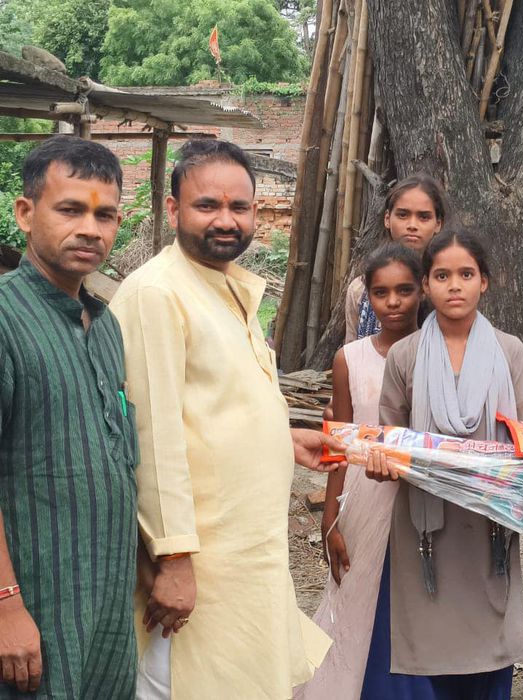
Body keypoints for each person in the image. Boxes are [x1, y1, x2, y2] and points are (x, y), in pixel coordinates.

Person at [110, 139, 338, 699]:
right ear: (172, 210)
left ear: (257, 212)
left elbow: (213, 410)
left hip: (247, 553)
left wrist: (282, 439)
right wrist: (173, 559)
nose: (225, 220)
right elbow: (153, 434)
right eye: (206, 205)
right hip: (199, 570)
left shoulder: (228, 287)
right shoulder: (159, 293)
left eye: (239, 207)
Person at [360, 229, 523, 699]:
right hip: (426, 527)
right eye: (442, 275)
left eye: (466, 274)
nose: (454, 285)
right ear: (426, 284)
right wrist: (382, 463)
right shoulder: (406, 354)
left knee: (489, 652)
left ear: (485, 282)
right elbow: (390, 438)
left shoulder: (510, 350)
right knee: (430, 653)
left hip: (488, 525)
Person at [0, 136, 137, 698]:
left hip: (105, 612)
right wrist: (6, 606)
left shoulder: (105, 324)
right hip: (33, 610)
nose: (90, 229)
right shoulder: (6, 319)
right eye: (71, 209)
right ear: (25, 213)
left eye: (104, 215)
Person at [309, 243, 422, 699]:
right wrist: (330, 517)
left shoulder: (436, 354)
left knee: (408, 603)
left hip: (418, 493)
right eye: (381, 292)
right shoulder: (349, 358)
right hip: (363, 494)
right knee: (354, 596)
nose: (392, 302)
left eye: (404, 290)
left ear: (423, 292)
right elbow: (340, 443)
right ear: (367, 298)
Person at [344, 173, 445, 342]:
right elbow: (353, 354)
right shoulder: (360, 290)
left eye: (424, 217)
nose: (412, 225)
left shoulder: (449, 287)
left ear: (438, 224)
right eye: (403, 215)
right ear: (387, 219)